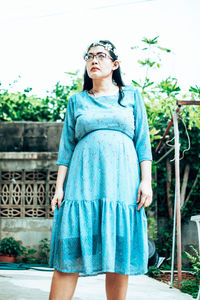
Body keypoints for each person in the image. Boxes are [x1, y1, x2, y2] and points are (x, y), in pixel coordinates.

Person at [48, 40, 153, 300]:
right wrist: (59, 187)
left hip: (122, 185)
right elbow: (66, 148)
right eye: (89, 56)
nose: (94, 60)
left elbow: (142, 143)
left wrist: (146, 181)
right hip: (81, 185)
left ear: (114, 64)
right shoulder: (77, 101)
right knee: (69, 251)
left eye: (101, 56)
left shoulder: (131, 96)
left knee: (119, 254)